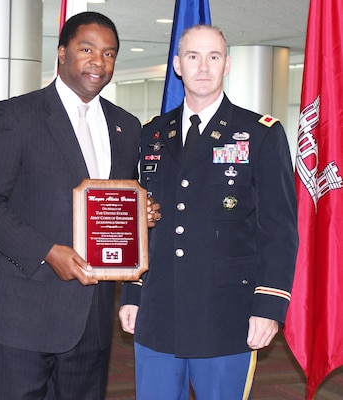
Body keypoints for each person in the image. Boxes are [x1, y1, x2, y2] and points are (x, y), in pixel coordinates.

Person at [0, 11, 159, 400]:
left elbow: (116, 200)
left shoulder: (126, 126)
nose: (98, 62)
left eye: (109, 54)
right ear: (62, 53)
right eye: (87, 49)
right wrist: (47, 252)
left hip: (91, 322)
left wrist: (142, 212)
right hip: (19, 317)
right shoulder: (16, 115)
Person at [119, 24, 298, 399]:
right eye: (193, 56)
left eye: (213, 57)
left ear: (227, 64)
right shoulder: (151, 133)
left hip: (226, 315)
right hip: (158, 311)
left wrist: (269, 305)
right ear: (177, 65)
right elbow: (140, 222)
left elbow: (278, 229)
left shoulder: (260, 133)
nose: (204, 67)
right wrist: (133, 293)